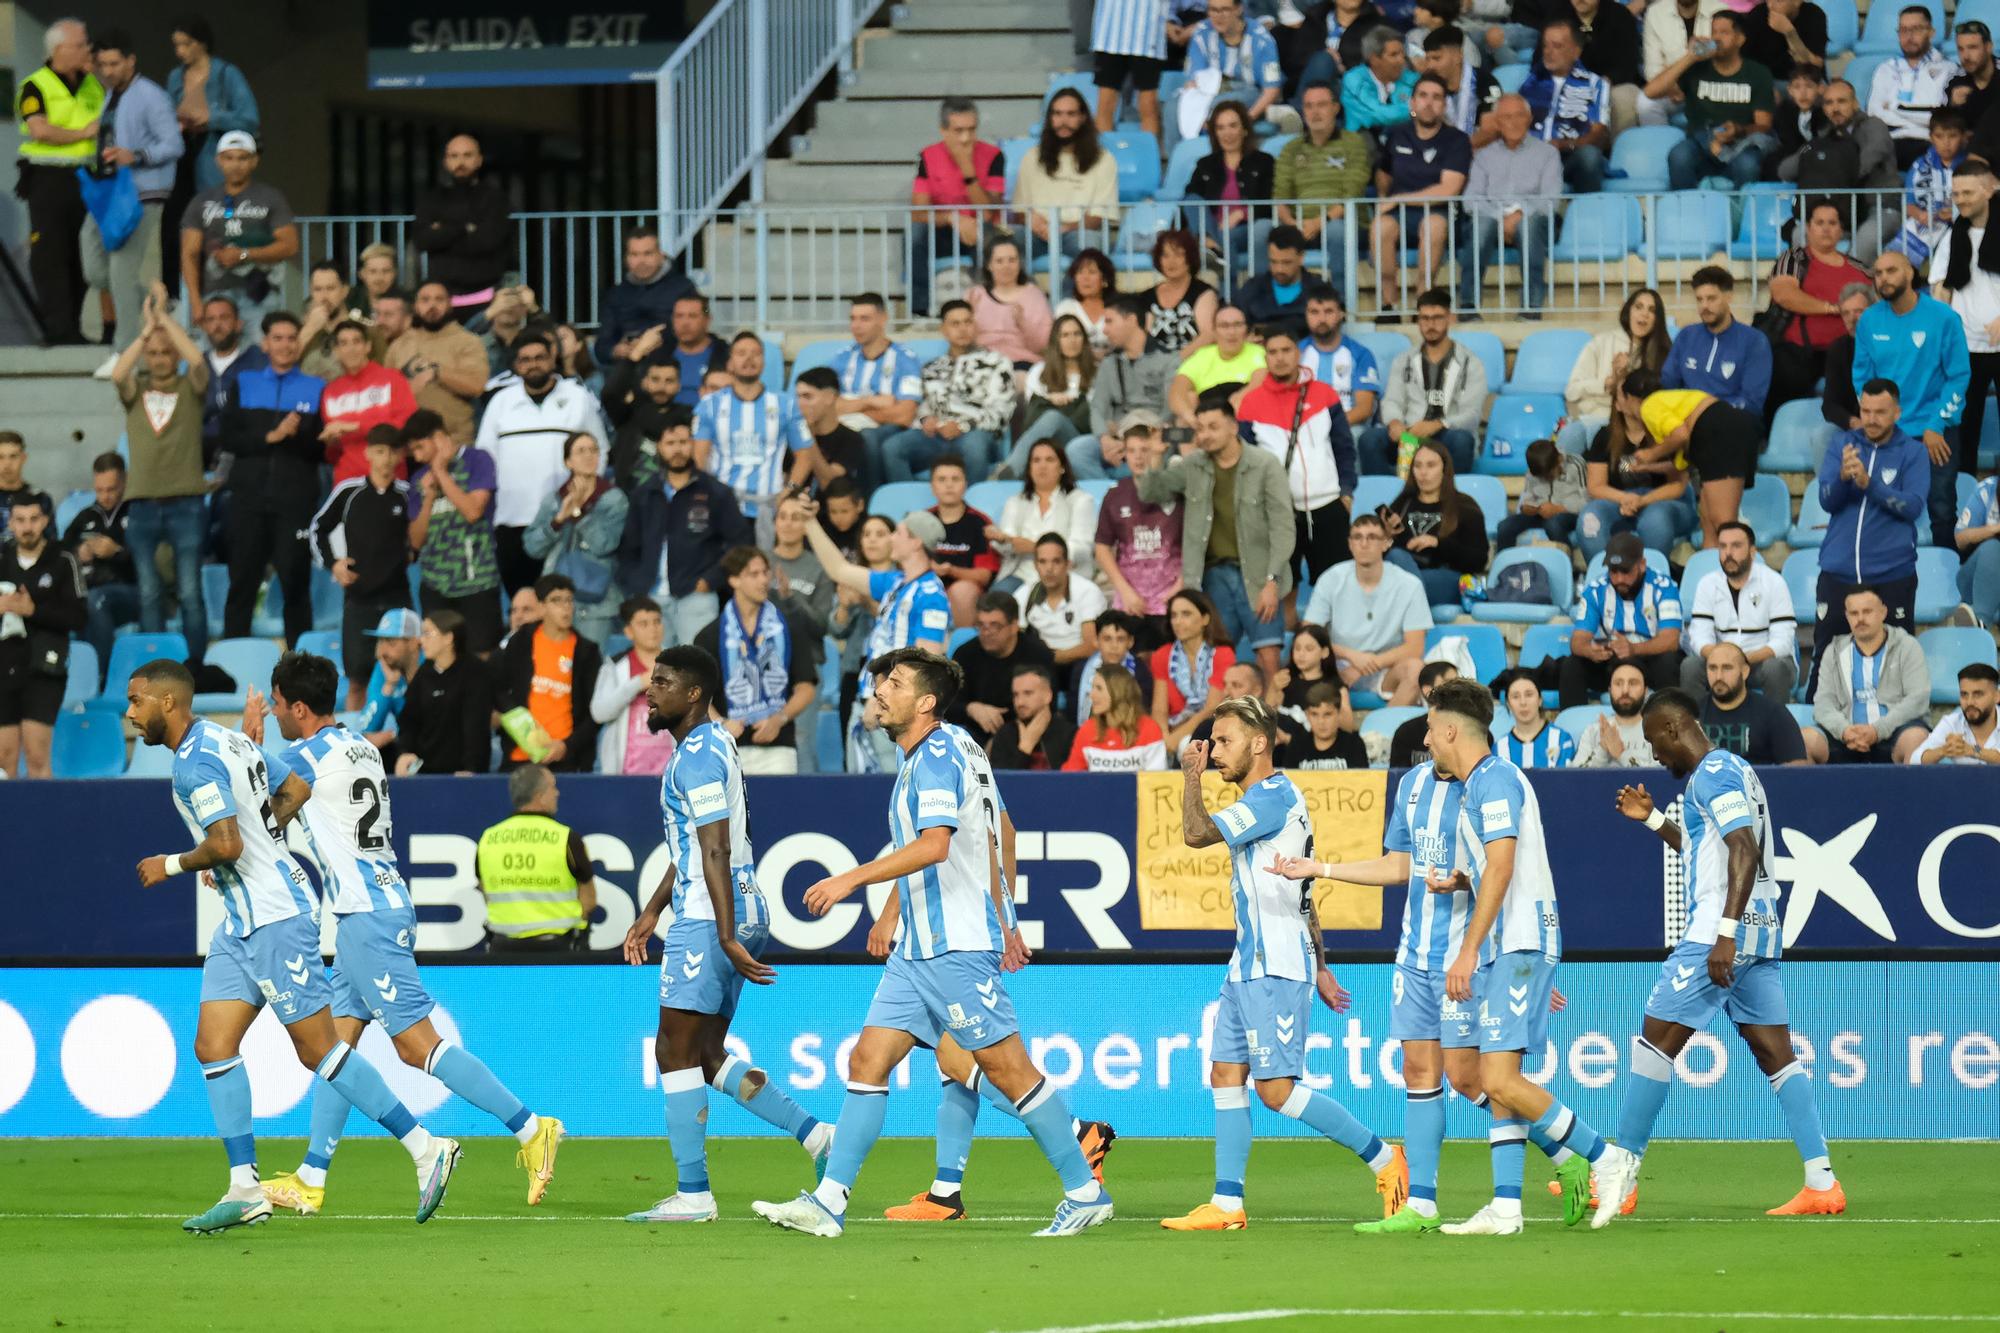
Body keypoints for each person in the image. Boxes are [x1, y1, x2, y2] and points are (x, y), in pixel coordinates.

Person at [754, 648, 1113, 1238]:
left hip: (954, 948)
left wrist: (852, 879)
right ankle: (828, 1202)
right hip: (917, 951)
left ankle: (1083, 1189)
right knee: (868, 1059)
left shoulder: (935, 758)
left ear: (924, 702)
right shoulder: (952, 748)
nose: (879, 691)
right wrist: (1000, 916)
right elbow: (1001, 830)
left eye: (893, 683)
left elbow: (936, 845)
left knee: (1008, 1070)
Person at [1276, 677, 1626, 1235]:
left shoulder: (1489, 783)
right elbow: (1403, 866)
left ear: (1449, 729)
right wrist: (1323, 869)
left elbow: (1505, 868)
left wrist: (1487, 956)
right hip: (1422, 955)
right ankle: (1430, 1203)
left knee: (1483, 1079)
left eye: (1432, 727)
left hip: (1480, 953)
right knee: (1436, 1073)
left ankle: (1578, 1157)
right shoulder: (1416, 785)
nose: (1425, 739)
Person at [125, 659, 459, 1234]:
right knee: (213, 1044)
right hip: (241, 920)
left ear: (168, 703)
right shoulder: (225, 739)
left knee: (319, 1050)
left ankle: (426, 1146)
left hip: (276, 917)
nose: (130, 714)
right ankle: (244, 1188)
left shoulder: (195, 764)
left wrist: (173, 863)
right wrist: (259, 839)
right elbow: (289, 786)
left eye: (137, 702)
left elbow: (225, 844)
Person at [242, 652, 562, 1216]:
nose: (277, 716)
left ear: (296, 708)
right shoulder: (360, 744)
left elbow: (254, 797)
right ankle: (312, 1175)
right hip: (369, 908)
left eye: (278, 706)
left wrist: (250, 736)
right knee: (335, 1050)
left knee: (418, 1049)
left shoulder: (307, 754)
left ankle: (531, 1127)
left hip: (367, 915)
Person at [1160, 697, 1406, 1231]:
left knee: (1276, 1091)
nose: (1215, 750)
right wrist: (1322, 964)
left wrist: (1191, 777)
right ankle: (1227, 1204)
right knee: (1225, 1073)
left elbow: (1197, 834)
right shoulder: (1268, 799)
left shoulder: (1271, 797)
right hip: (1248, 963)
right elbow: (1302, 890)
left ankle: (1385, 1159)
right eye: (1213, 743)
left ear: (1258, 742)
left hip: (1274, 964)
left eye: (1224, 741)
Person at [616, 644, 833, 1222]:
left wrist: (725, 931)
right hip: (726, 906)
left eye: (661, 682)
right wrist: (650, 910)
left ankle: (693, 1195)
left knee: (672, 1051)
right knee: (706, 1055)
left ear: (693, 694)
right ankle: (816, 1137)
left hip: (712, 915)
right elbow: (694, 844)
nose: (649, 690)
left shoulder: (696, 757)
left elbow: (714, 845)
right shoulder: (711, 745)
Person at [1611, 690, 1845, 1217]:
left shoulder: (1712, 773)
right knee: (1775, 1053)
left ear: (1673, 729)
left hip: (1722, 931)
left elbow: (1744, 848)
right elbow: (1709, 850)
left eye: (1653, 743)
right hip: (1761, 928)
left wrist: (1723, 932)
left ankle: (1619, 1177)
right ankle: (1821, 1180)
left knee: (1654, 1040)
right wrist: (1652, 820)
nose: (1654, 756)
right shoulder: (1732, 770)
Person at [1141, 395, 1296, 677]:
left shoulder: (1265, 465)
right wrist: (1155, 456)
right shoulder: (1193, 465)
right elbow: (1151, 492)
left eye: (1213, 427)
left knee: (1269, 653)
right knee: (1217, 659)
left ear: (1233, 427)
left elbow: (1283, 526)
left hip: (1258, 575)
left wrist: (1272, 581)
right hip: (1213, 578)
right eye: (1199, 429)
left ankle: (1270, 717)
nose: (1204, 435)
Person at [797, 496, 951, 773]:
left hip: (895, 713)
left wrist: (882, 700)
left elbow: (927, 662)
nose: (892, 538)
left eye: (899, 532)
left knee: (895, 792)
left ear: (916, 542)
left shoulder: (931, 596)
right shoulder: (895, 583)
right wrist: (809, 522)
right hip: (869, 702)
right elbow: (839, 570)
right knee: (864, 798)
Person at [110, 288, 210, 664]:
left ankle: (195, 667)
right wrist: (146, 331)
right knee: (149, 591)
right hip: (143, 503)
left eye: (166, 352)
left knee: (189, 591)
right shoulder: (136, 390)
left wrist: (165, 321)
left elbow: (198, 361)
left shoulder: (190, 388)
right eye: (153, 353)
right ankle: (156, 667)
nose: (160, 358)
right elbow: (120, 372)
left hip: (187, 501)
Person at [476, 332, 610, 593]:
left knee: (561, 601)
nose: (533, 364)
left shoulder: (576, 397)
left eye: (540, 357)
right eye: (525, 360)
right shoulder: (501, 402)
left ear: (553, 359)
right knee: (522, 601)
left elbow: (600, 450)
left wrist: (585, 495)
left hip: (564, 520)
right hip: (512, 521)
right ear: (515, 365)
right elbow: (485, 458)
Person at [1852, 251, 1967, 551]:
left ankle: (1947, 581)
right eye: (1878, 273)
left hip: (1934, 431)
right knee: (1884, 509)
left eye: (1891, 271)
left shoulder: (1944, 318)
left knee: (1941, 509)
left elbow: (1958, 376)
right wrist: (1880, 422)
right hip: (1888, 433)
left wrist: (1936, 425)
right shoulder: (1869, 321)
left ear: (1910, 273)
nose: (1883, 279)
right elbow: (1863, 378)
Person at [221, 311, 322, 645]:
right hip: (248, 501)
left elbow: (319, 451)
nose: (285, 345)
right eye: (277, 338)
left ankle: (302, 666)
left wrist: (296, 437)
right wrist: (271, 436)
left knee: (296, 581)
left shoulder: (315, 388)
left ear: (299, 343)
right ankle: (233, 663)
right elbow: (227, 439)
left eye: (291, 338)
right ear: (265, 344)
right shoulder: (244, 383)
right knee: (242, 582)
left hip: (295, 502)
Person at [82, 28, 180, 370]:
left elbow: (174, 144)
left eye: (114, 63)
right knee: (94, 265)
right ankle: (157, 307)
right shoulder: (111, 95)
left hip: (142, 193)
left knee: (122, 269)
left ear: (130, 60)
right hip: (110, 192)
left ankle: (124, 351)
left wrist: (135, 155)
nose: (107, 71)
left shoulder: (151, 96)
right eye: (102, 64)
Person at [615, 411, 751, 652]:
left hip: (696, 596)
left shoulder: (716, 493)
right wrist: (637, 586)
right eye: (670, 443)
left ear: (693, 444)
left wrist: (711, 580)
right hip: (650, 599)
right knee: (657, 674)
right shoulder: (644, 493)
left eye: (683, 442)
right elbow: (628, 548)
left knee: (697, 670)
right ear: (659, 447)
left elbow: (740, 543)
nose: (677, 449)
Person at [1237, 326, 1358, 583]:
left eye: (1286, 350)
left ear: (1298, 353)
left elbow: (1344, 448)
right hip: (1280, 511)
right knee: (1284, 591)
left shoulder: (1325, 394)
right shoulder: (1251, 403)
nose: (1280, 357)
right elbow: (1246, 463)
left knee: (1337, 587)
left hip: (1328, 506)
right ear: (1265, 357)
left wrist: (1346, 492)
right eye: (1272, 352)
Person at [15, 18, 103, 346]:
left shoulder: (92, 83)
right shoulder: (35, 84)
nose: (86, 50)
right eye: (80, 45)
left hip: (88, 177)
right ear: (58, 50)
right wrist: (82, 133)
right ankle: (57, 328)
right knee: (51, 252)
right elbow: (40, 129)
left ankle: (75, 326)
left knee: (83, 253)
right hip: (49, 177)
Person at [310, 427, 412, 708]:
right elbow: (317, 528)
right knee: (357, 680)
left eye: (393, 451)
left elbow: (419, 537)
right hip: (359, 600)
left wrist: (413, 552)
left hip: (397, 599)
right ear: (367, 453)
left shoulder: (407, 494)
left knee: (409, 675)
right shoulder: (348, 492)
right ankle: (354, 745)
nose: (386, 459)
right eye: (380, 451)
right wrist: (334, 564)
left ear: (401, 455)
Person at [692, 547, 818, 775]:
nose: (763, 580)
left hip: (779, 745)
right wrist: (721, 724)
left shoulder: (789, 626)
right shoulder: (709, 636)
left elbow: (806, 688)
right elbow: (698, 696)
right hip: (727, 747)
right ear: (733, 579)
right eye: (754, 574)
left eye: (765, 573)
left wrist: (779, 719)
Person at [1370, 75, 1473, 318]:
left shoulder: (1456, 140)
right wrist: (1385, 198)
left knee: (1434, 226)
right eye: (1423, 96)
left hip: (1438, 210)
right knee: (1379, 228)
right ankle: (1389, 304)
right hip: (1399, 213)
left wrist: (1399, 199)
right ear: (1412, 103)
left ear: (1445, 105)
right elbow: (1383, 174)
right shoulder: (1396, 135)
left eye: (1437, 97)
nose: (1429, 103)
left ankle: (1423, 300)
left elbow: (1448, 189)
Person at [401, 411, 503, 656]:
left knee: (482, 659)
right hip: (436, 585)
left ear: (438, 437)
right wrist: (428, 497)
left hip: (477, 581)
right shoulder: (418, 479)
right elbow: (416, 541)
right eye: (412, 450)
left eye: (420, 447)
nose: (416, 456)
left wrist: (442, 473)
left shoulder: (477, 460)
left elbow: (473, 512)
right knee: (441, 659)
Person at [1303, 511, 1430, 705]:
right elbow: (1308, 634)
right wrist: (1351, 656)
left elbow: (1415, 647)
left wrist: (1365, 665)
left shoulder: (1409, 584)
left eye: (1372, 537)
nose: (1364, 543)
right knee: (1305, 658)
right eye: (1357, 537)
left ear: (1386, 543)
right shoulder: (1331, 578)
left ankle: (1384, 732)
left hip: (1385, 667)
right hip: (1335, 664)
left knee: (1415, 669)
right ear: (1350, 543)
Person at [1764, 201, 1872, 426]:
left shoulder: (1860, 268)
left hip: (1849, 351)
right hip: (1800, 352)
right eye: (1819, 222)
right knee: (1784, 375)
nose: (1826, 228)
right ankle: (1767, 436)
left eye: (1832, 223)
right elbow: (1783, 294)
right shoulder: (1793, 258)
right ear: (1808, 228)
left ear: (1841, 230)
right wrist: (1833, 308)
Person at [882, 302, 1015, 485]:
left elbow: (1001, 412)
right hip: (936, 438)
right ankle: (908, 506)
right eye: (955, 324)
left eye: (967, 322)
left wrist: (962, 426)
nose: (962, 329)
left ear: (975, 326)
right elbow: (922, 409)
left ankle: (971, 508)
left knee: (973, 445)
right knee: (893, 447)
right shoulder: (931, 368)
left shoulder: (996, 363)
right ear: (943, 329)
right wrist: (926, 421)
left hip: (978, 435)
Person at [179, 133, 298, 334]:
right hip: (216, 296)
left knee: (260, 356)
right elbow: (189, 254)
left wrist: (244, 254)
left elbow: (290, 245)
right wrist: (195, 301)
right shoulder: (201, 201)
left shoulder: (270, 197)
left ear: (254, 161)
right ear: (218, 161)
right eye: (229, 158)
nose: (235, 164)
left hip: (260, 295)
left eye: (242, 158)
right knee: (217, 360)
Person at [471, 763, 598, 951]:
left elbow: (485, 890)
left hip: (502, 951)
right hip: (560, 952)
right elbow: (589, 899)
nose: (557, 793)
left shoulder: (488, 838)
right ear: (539, 796)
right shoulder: (566, 838)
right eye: (553, 787)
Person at [1645, 9, 1777, 190]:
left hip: (1741, 143)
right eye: (1713, 32)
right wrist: (1690, 57)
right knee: (1679, 156)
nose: (1716, 38)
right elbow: (1651, 92)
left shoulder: (1758, 73)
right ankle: (1686, 214)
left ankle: (1740, 216)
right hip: (1700, 141)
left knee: (1748, 164)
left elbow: (1764, 125)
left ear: (1740, 39)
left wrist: (1737, 130)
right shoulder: (1697, 68)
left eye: (1724, 32)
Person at [0, 498, 85, 777]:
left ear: (46, 521)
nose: (27, 527)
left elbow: (79, 617)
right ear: (10, 523)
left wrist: (32, 610)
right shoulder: (2, 557)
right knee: (3, 759)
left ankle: (43, 821)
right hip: (3, 666)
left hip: (44, 667)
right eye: (20, 520)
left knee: (37, 756)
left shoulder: (63, 559)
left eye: (34, 519)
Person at [1455, 93, 1560, 317]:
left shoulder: (1548, 153)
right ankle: (1468, 305)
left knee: (1528, 225)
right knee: (1480, 227)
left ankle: (1531, 307)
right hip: (1492, 217)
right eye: (1506, 117)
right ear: (1497, 122)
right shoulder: (1483, 156)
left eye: (1519, 116)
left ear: (1529, 118)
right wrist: (1500, 217)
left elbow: (1551, 199)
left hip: (1532, 217)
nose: (1513, 122)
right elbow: (1470, 199)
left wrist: (1519, 214)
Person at [519, 432, 628, 647]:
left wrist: (578, 514)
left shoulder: (614, 499)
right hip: (555, 600)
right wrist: (558, 520)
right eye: (581, 451)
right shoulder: (554, 499)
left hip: (596, 603)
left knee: (591, 671)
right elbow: (532, 547)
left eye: (593, 450)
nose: (589, 456)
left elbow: (605, 544)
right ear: (568, 461)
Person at [1576, 368, 1697, 561]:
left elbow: (1677, 485)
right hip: (1620, 501)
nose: (1643, 401)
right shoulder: (1604, 436)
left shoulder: (1669, 432)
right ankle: (1605, 579)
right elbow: (1596, 486)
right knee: (1590, 518)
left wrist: (1642, 501)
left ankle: (1652, 580)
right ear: (1618, 404)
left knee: (1655, 519)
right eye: (1633, 396)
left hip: (1664, 502)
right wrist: (1626, 498)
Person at [1360, 289, 1485, 475]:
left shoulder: (1470, 362)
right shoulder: (1404, 360)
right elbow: (1392, 400)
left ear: (1449, 318)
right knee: (1369, 440)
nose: (1431, 325)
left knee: (1462, 441)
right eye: (1425, 318)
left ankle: (1453, 500)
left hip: (1447, 434)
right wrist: (1395, 423)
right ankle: (1386, 499)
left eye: (1437, 318)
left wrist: (1437, 424)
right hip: (1411, 433)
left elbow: (1472, 415)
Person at [1632, 373, 1763, 549]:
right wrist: (1647, 465)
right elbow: (1679, 466)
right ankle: (1708, 571)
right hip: (1727, 429)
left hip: (1720, 432)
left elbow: (1680, 435)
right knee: (1707, 522)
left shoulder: (1648, 406)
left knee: (1723, 523)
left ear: (1630, 398)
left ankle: (1743, 572)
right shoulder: (1677, 405)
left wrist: (1651, 454)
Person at [1777, 79, 1901, 264]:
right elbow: (1786, 170)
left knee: (1862, 247)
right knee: (1800, 235)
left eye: (1841, 101)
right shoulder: (1824, 136)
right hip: (1841, 212)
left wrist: (1833, 171)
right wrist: (1812, 159)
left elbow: (1873, 154)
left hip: (1879, 207)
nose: (1835, 108)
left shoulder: (1873, 126)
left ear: (1855, 103)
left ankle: (1857, 292)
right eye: (1829, 103)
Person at [1808, 584, 1932, 765]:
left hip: (1895, 733)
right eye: (1854, 613)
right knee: (1804, 741)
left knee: (1916, 738)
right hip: (1846, 736)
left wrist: (1877, 730)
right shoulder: (1833, 651)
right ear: (1847, 616)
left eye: (1867, 611)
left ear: (1883, 612)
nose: (1860, 619)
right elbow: (1823, 703)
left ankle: (1913, 794)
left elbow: (1917, 699)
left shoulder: (1907, 646)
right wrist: (1844, 731)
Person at [1274, 84, 1374, 298]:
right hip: (1300, 228)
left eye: (1321, 105)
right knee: (1262, 231)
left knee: (1337, 230)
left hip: (1345, 224)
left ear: (1336, 108)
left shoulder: (1353, 142)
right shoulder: (1291, 149)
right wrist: (1293, 226)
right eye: (1309, 106)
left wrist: (1319, 222)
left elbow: (1352, 194)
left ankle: (1340, 302)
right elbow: (1279, 198)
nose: (1315, 112)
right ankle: (1267, 302)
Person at [494, 574, 603, 772]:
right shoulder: (521, 642)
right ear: (542, 606)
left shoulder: (587, 652)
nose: (565, 607)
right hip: (520, 756)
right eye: (556, 600)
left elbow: (595, 713)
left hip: (566, 758)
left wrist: (567, 746)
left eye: (569, 600)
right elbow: (498, 689)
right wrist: (517, 726)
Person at [1561, 532, 1684, 708]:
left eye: (1626, 571)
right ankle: (1571, 725)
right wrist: (1590, 650)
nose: (1619, 579)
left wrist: (1634, 649)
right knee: (1572, 664)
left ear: (1642, 565)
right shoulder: (1595, 590)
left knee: (1669, 662)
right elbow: (1577, 641)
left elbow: (1671, 640)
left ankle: (1670, 724)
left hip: (1649, 658)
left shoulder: (1664, 587)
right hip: (1612, 659)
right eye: (1613, 571)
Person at [910, 98, 1007, 317]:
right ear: (943, 131)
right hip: (943, 229)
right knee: (915, 235)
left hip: (980, 227)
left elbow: (989, 211)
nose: (966, 138)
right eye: (958, 131)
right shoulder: (928, 156)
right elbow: (918, 213)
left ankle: (989, 307)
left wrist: (968, 171)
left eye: (971, 130)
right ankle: (920, 311)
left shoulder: (994, 155)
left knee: (989, 237)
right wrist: (954, 218)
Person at [1681, 521, 1797, 702]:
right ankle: (1696, 727)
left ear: (1752, 551)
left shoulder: (1774, 582)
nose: (1728, 553)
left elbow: (1783, 641)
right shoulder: (1707, 584)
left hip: (1761, 662)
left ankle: (1776, 727)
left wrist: (1742, 659)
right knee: (1690, 666)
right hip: (1721, 661)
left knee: (1774, 668)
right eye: (1723, 546)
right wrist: (1722, 658)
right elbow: (1699, 636)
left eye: (1736, 546)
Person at [1934, 160, 2000, 478]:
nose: (1960, 199)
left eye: (1968, 192)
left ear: (1991, 189)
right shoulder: (1952, 237)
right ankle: (1966, 496)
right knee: (1965, 428)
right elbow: (1940, 289)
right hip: (1965, 350)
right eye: (1956, 193)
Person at [1093, 415, 1184, 638]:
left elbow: (1195, 543)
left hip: (1171, 598)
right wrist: (1124, 591)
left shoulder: (1177, 490)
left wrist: (1182, 585)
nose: (1138, 457)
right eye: (1132, 451)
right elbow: (1102, 548)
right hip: (1130, 600)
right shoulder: (1115, 495)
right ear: (1124, 454)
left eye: (1145, 449)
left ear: (1156, 450)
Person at [1013, 89, 1119, 266]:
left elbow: (1097, 218)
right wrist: (1032, 221)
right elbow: (1020, 212)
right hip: (1037, 234)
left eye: (1071, 114)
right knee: (1006, 244)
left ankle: (1070, 294)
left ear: (1083, 118)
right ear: (1050, 118)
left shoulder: (1103, 159)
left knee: (1089, 246)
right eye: (1057, 114)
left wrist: (1061, 229)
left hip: (1078, 232)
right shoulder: (1031, 157)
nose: (1063, 122)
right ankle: (1028, 293)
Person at [1382, 439, 1488, 607]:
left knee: (1398, 586)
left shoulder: (1464, 505)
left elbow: (1478, 560)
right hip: (1406, 574)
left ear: (1445, 469)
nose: (1423, 472)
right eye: (1417, 466)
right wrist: (1388, 536)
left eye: (1431, 465)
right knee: (1396, 561)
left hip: (1448, 575)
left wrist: (1437, 543)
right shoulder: (1403, 503)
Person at [384, 281, 490, 447]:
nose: (432, 305)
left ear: (449, 304)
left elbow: (476, 386)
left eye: (439, 299)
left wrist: (437, 372)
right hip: (408, 446)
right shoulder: (399, 345)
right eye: (425, 300)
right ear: (416, 306)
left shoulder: (468, 341)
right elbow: (385, 394)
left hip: (455, 442)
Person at [1662, 265, 1771, 420]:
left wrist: (1706, 409)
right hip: (1686, 421)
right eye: (1699, 299)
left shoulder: (1754, 341)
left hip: (1733, 421)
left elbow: (1752, 403)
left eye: (1711, 298)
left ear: (1729, 297)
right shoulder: (1686, 336)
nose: (1704, 306)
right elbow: (1668, 384)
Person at [996, 317, 1098, 481]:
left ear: (1084, 339)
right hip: (1045, 441)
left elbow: (1096, 415)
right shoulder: (1039, 372)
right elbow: (1034, 418)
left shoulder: (1097, 374)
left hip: (1078, 440)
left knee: (1054, 417)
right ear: (1056, 340)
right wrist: (1049, 398)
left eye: (1077, 334)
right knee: (1050, 418)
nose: (1072, 340)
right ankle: (1011, 471)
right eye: (1065, 335)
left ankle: (1012, 470)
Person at [63, 452, 136, 682]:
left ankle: (100, 676)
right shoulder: (84, 517)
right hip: (89, 591)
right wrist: (78, 554)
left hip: (130, 592)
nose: (104, 496)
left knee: (95, 600)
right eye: (99, 489)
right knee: (82, 602)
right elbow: (60, 556)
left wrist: (117, 552)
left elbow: (154, 566)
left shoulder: (138, 512)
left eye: (111, 489)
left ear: (124, 481)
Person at [414, 134, 509, 308]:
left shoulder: (495, 198)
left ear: (479, 160)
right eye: (454, 156)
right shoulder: (431, 198)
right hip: (442, 296)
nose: (460, 162)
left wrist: (442, 232)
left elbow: (487, 241)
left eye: (467, 155)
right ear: (445, 161)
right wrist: (465, 228)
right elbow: (422, 240)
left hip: (486, 293)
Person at [989, 441, 1097, 593]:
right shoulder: (1015, 502)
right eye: (1036, 460)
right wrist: (1001, 540)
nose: (1042, 466)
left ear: (1062, 467)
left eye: (1050, 460)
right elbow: (1007, 545)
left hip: (1064, 573)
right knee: (996, 600)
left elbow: (1082, 548)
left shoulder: (1081, 500)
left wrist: (1036, 548)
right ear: (1029, 468)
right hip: (1021, 574)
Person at [949, 591, 1056, 743]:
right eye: (981, 625)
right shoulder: (965, 654)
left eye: (995, 626)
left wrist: (1005, 736)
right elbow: (947, 705)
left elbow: (1049, 706)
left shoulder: (1038, 655)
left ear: (1014, 626)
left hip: (1026, 733)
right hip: (974, 733)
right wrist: (971, 708)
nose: (986, 632)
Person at [166, 18, 258, 196]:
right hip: (181, 159)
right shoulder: (175, 77)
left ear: (202, 43)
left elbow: (250, 119)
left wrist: (212, 118)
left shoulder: (226, 74)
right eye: (176, 45)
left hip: (213, 160)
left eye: (186, 44)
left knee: (214, 209)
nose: (180, 51)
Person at [320, 320, 417, 484]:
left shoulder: (391, 378)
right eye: (343, 343)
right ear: (336, 351)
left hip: (390, 478)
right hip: (346, 481)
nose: (351, 349)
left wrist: (355, 426)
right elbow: (334, 454)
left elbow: (407, 425)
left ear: (368, 346)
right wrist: (331, 443)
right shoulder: (331, 391)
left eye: (356, 342)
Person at [1519, 20, 1610, 194]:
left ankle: (1587, 216)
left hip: (1568, 157)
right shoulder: (1529, 82)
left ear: (1576, 51)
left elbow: (1598, 136)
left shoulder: (1595, 84)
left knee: (1589, 156)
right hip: (1531, 157)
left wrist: (1563, 145)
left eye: (1557, 46)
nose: (1549, 52)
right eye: (1545, 46)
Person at [1190, 102, 1278, 279]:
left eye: (1233, 126)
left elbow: (1269, 203)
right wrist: (1205, 233)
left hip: (1248, 229)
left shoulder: (1264, 162)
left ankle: (1228, 294)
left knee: (1227, 236)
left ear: (1245, 129)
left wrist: (1241, 214)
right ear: (1215, 133)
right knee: (1190, 198)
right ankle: (1210, 243)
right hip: (1213, 229)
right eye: (1220, 127)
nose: (1227, 133)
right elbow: (1190, 201)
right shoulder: (1205, 164)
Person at [589, 597, 676, 776]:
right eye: (643, 624)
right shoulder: (614, 666)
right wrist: (637, 684)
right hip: (626, 773)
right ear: (629, 631)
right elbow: (599, 713)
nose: (653, 629)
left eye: (657, 622)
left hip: (672, 775)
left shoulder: (680, 664)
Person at [1867, 5, 1958, 171]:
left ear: (1931, 32)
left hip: (1929, 143)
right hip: (1890, 143)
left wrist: (1895, 108)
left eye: (1916, 29)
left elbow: (1940, 115)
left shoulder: (1948, 69)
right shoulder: (1885, 69)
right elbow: (1874, 113)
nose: (1909, 36)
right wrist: (1919, 120)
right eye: (1903, 30)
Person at [1150, 587, 1238, 753]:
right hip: (1172, 730)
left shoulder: (1223, 654)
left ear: (1205, 619)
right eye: (1174, 615)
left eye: (1186, 614)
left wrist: (1174, 740)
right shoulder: (1162, 655)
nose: (1177, 621)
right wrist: (1163, 738)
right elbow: (1159, 710)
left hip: (1211, 729)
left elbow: (1213, 708)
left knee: (1186, 746)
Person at [1182, 0, 1291, 130]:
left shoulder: (1262, 39)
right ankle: (1182, 149)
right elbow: (1192, 82)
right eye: (1213, 10)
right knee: (1173, 106)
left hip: (1250, 92)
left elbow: (1271, 91)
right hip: (1210, 92)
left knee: (1218, 105)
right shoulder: (1201, 33)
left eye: (1225, 10)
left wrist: (1247, 119)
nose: (1218, 16)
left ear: (1238, 9)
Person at [594, 228, 696, 365]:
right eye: (634, 254)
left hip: (674, 364)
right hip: (628, 367)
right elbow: (602, 344)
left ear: (661, 255)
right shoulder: (616, 295)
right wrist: (615, 350)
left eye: (647, 253)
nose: (641, 261)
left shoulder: (684, 288)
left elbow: (699, 322)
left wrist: (652, 343)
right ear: (626, 259)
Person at [1699, 642, 1810, 764]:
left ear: (1745, 672)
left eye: (1727, 668)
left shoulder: (1773, 713)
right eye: (1712, 668)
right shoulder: (1691, 715)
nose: (1718, 676)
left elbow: (1796, 769)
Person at [925, 455, 1003, 627]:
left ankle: (958, 647)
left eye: (955, 479)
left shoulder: (980, 522)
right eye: (942, 479)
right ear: (932, 486)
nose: (949, 485)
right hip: (927, 588)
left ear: (965, 485)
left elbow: (983, 575)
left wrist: (951, 571)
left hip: (966, 594)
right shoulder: (921, 520)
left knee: (963, 591)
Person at [1015, 534, 1106, 678]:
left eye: (1056, 561)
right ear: (1035, 565)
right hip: (1040, 663)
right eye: (1042, 562)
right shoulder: (1023, 595)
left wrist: (1052, 657)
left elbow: (1091, 645)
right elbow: (1015, 639)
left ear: (1067, 564)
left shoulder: (1088, 592)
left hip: (1079, 662)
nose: (1049, 568)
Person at [1892, 108, 1969, 268]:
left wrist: (1956, 212)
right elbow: (1909, 204)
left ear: (1963, 137)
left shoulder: (1970, 165)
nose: (1946, 143)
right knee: (1899, 260)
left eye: (1952, 136)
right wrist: (1920, 215)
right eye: (1939, 136)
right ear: (1931, 137)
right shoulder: (1919, 165)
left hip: (1962, 228)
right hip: (1927, 227)